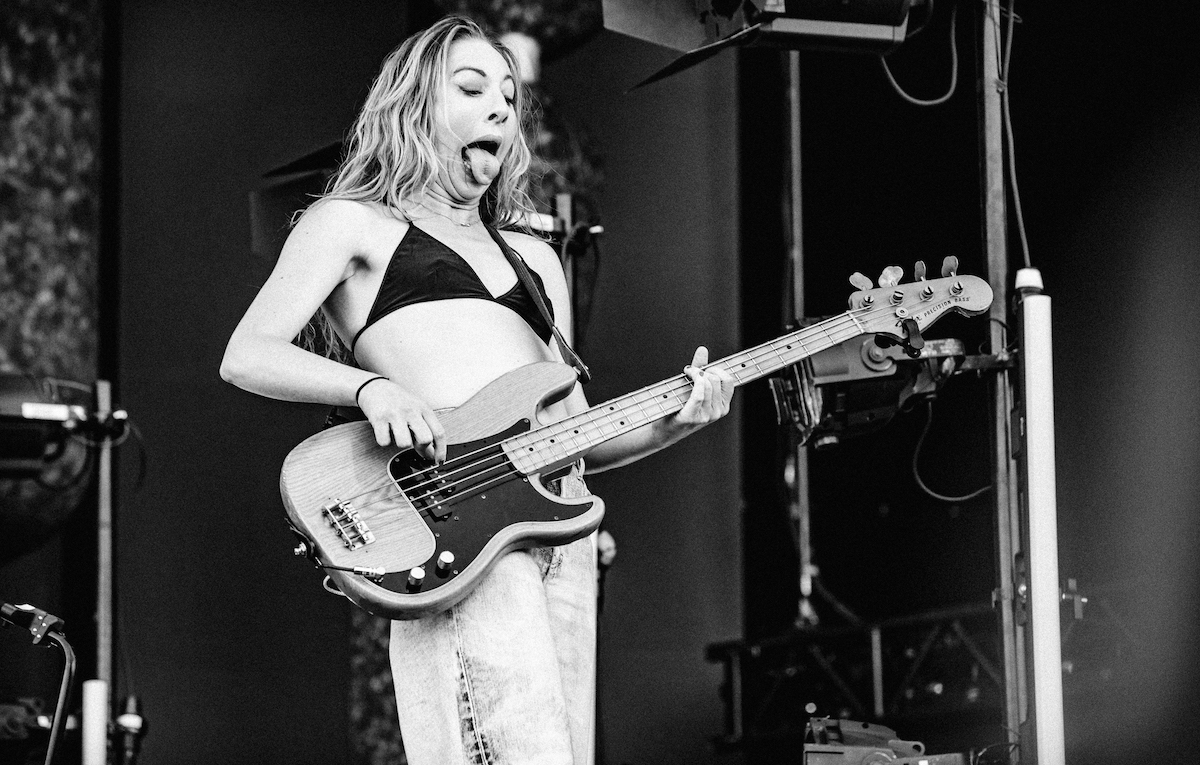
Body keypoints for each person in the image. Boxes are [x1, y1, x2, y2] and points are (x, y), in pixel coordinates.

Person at [220, 15, 735, 764]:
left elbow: (574, 432)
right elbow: (247, 354)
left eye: (508, 97)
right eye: (471, 89)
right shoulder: (352, 223)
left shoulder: (536, 258)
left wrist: (676, 421)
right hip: (459, 525)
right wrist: (372, 389)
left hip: (560, 539)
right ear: (414, 104)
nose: (500, 107)